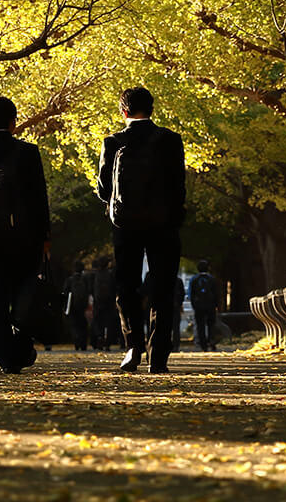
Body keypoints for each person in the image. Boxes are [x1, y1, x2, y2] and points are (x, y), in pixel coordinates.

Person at [97, 86, 186, 374]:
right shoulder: (171, 140)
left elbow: (102, 189)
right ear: (152, 109)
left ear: (123, 111)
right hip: (164, 224)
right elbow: (179, 186)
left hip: (126, 224)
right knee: (163, 286)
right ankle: (158, 355)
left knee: (127, 285)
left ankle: (132, 345)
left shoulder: (113, 141)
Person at [0, 96, 50, 373]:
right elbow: (40, 197)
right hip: (25, 234)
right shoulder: (27, 151)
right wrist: (45, 235)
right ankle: (22, 344)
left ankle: (4, 357)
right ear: (14, 121)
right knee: (27, 289)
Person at [189, 259, 219, 351]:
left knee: (200, 325)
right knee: (211, 324)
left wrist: (194, 305)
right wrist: (216, 304)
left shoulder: (194, 279)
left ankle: (203, 345)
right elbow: (216, 293)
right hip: (210, 305)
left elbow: (191, 294)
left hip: (198, 306)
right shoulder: (212, 279)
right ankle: (211, 341)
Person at [63, 260, 92, 351]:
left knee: (74, 325)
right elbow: (90, 291)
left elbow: (65, 293)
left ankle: (76, 342)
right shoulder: (85, 279)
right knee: (83, 325)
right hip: (83, 306)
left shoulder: (70, 280)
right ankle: (83, 344)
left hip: (72, 306)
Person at [91, 257, 118, 351]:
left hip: (98, 302)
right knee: (109, 322)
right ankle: (108, 342)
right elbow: (114, 287)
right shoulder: (110, 274)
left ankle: (99, 337)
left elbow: (91, 289)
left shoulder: (95, 275)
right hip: (109, 301)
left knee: (98, 321)